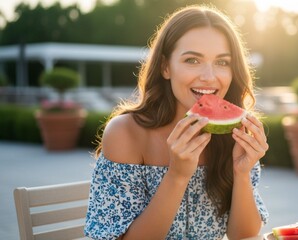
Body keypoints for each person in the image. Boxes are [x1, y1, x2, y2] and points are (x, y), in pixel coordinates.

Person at [84, 5, 269, 240]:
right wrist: (177, 175)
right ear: (165, 67)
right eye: (192, 60)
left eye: (222, 62)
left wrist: (241, 173)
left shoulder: (233, 133)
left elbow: (243, 236)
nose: (209, 77)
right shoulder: (125, 133)